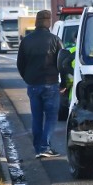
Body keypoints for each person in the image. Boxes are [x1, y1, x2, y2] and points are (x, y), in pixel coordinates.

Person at [17, 10, 64, 158]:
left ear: (36, 22)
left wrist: (28, 79)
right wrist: (64, 83)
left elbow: (20, 64)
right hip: (51, 83)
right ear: (48, 22)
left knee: (37, 117)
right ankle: (45, 147)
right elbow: (62, 63)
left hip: (33, 85)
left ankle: (38, 148)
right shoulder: (55, 40)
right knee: (51, 117)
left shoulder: (26, 41)